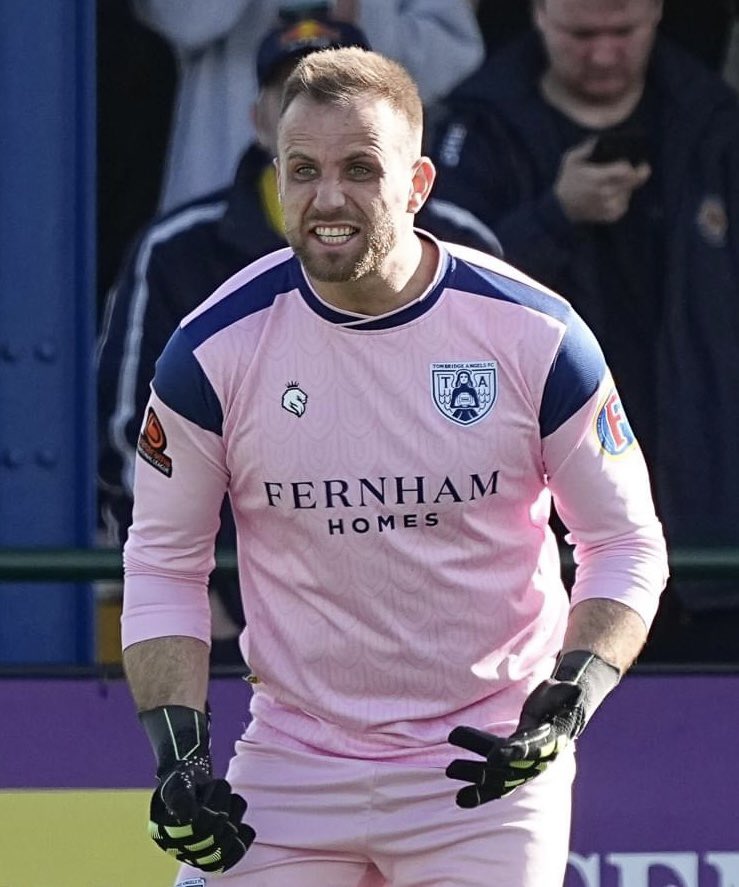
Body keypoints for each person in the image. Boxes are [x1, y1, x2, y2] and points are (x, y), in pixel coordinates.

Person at [121, 47, 668, 885]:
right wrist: (179, 758)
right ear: (276, 177)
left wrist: (569, 699)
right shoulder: (208, 351)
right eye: (302, 169)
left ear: (417, 186)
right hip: (289, 761)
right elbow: (163, 561)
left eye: (359, 169)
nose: (326, 197)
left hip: (483, 769)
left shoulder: (537, 336)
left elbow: (626, 543)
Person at [426, 0, 739, 658]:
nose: (602, 54)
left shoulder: (711, 120)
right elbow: (433, 301)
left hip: (703, 519)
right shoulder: (473, 128)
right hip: (532, 531)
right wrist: (552, 216)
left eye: (621, 32)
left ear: (656, 13)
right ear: (539, 14)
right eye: (581, 33)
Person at [98, 17, 373, 664]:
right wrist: (199, 584)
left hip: (418, 619)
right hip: (235, 621)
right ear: (258, 119)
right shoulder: (176, 252)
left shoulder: (452, 241)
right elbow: (129, 435)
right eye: (296, 99)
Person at [132, 0, 485, 211]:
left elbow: (458, 52)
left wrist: (357, 32)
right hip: (221, 190)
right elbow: (183, 19)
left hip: (361, 190)